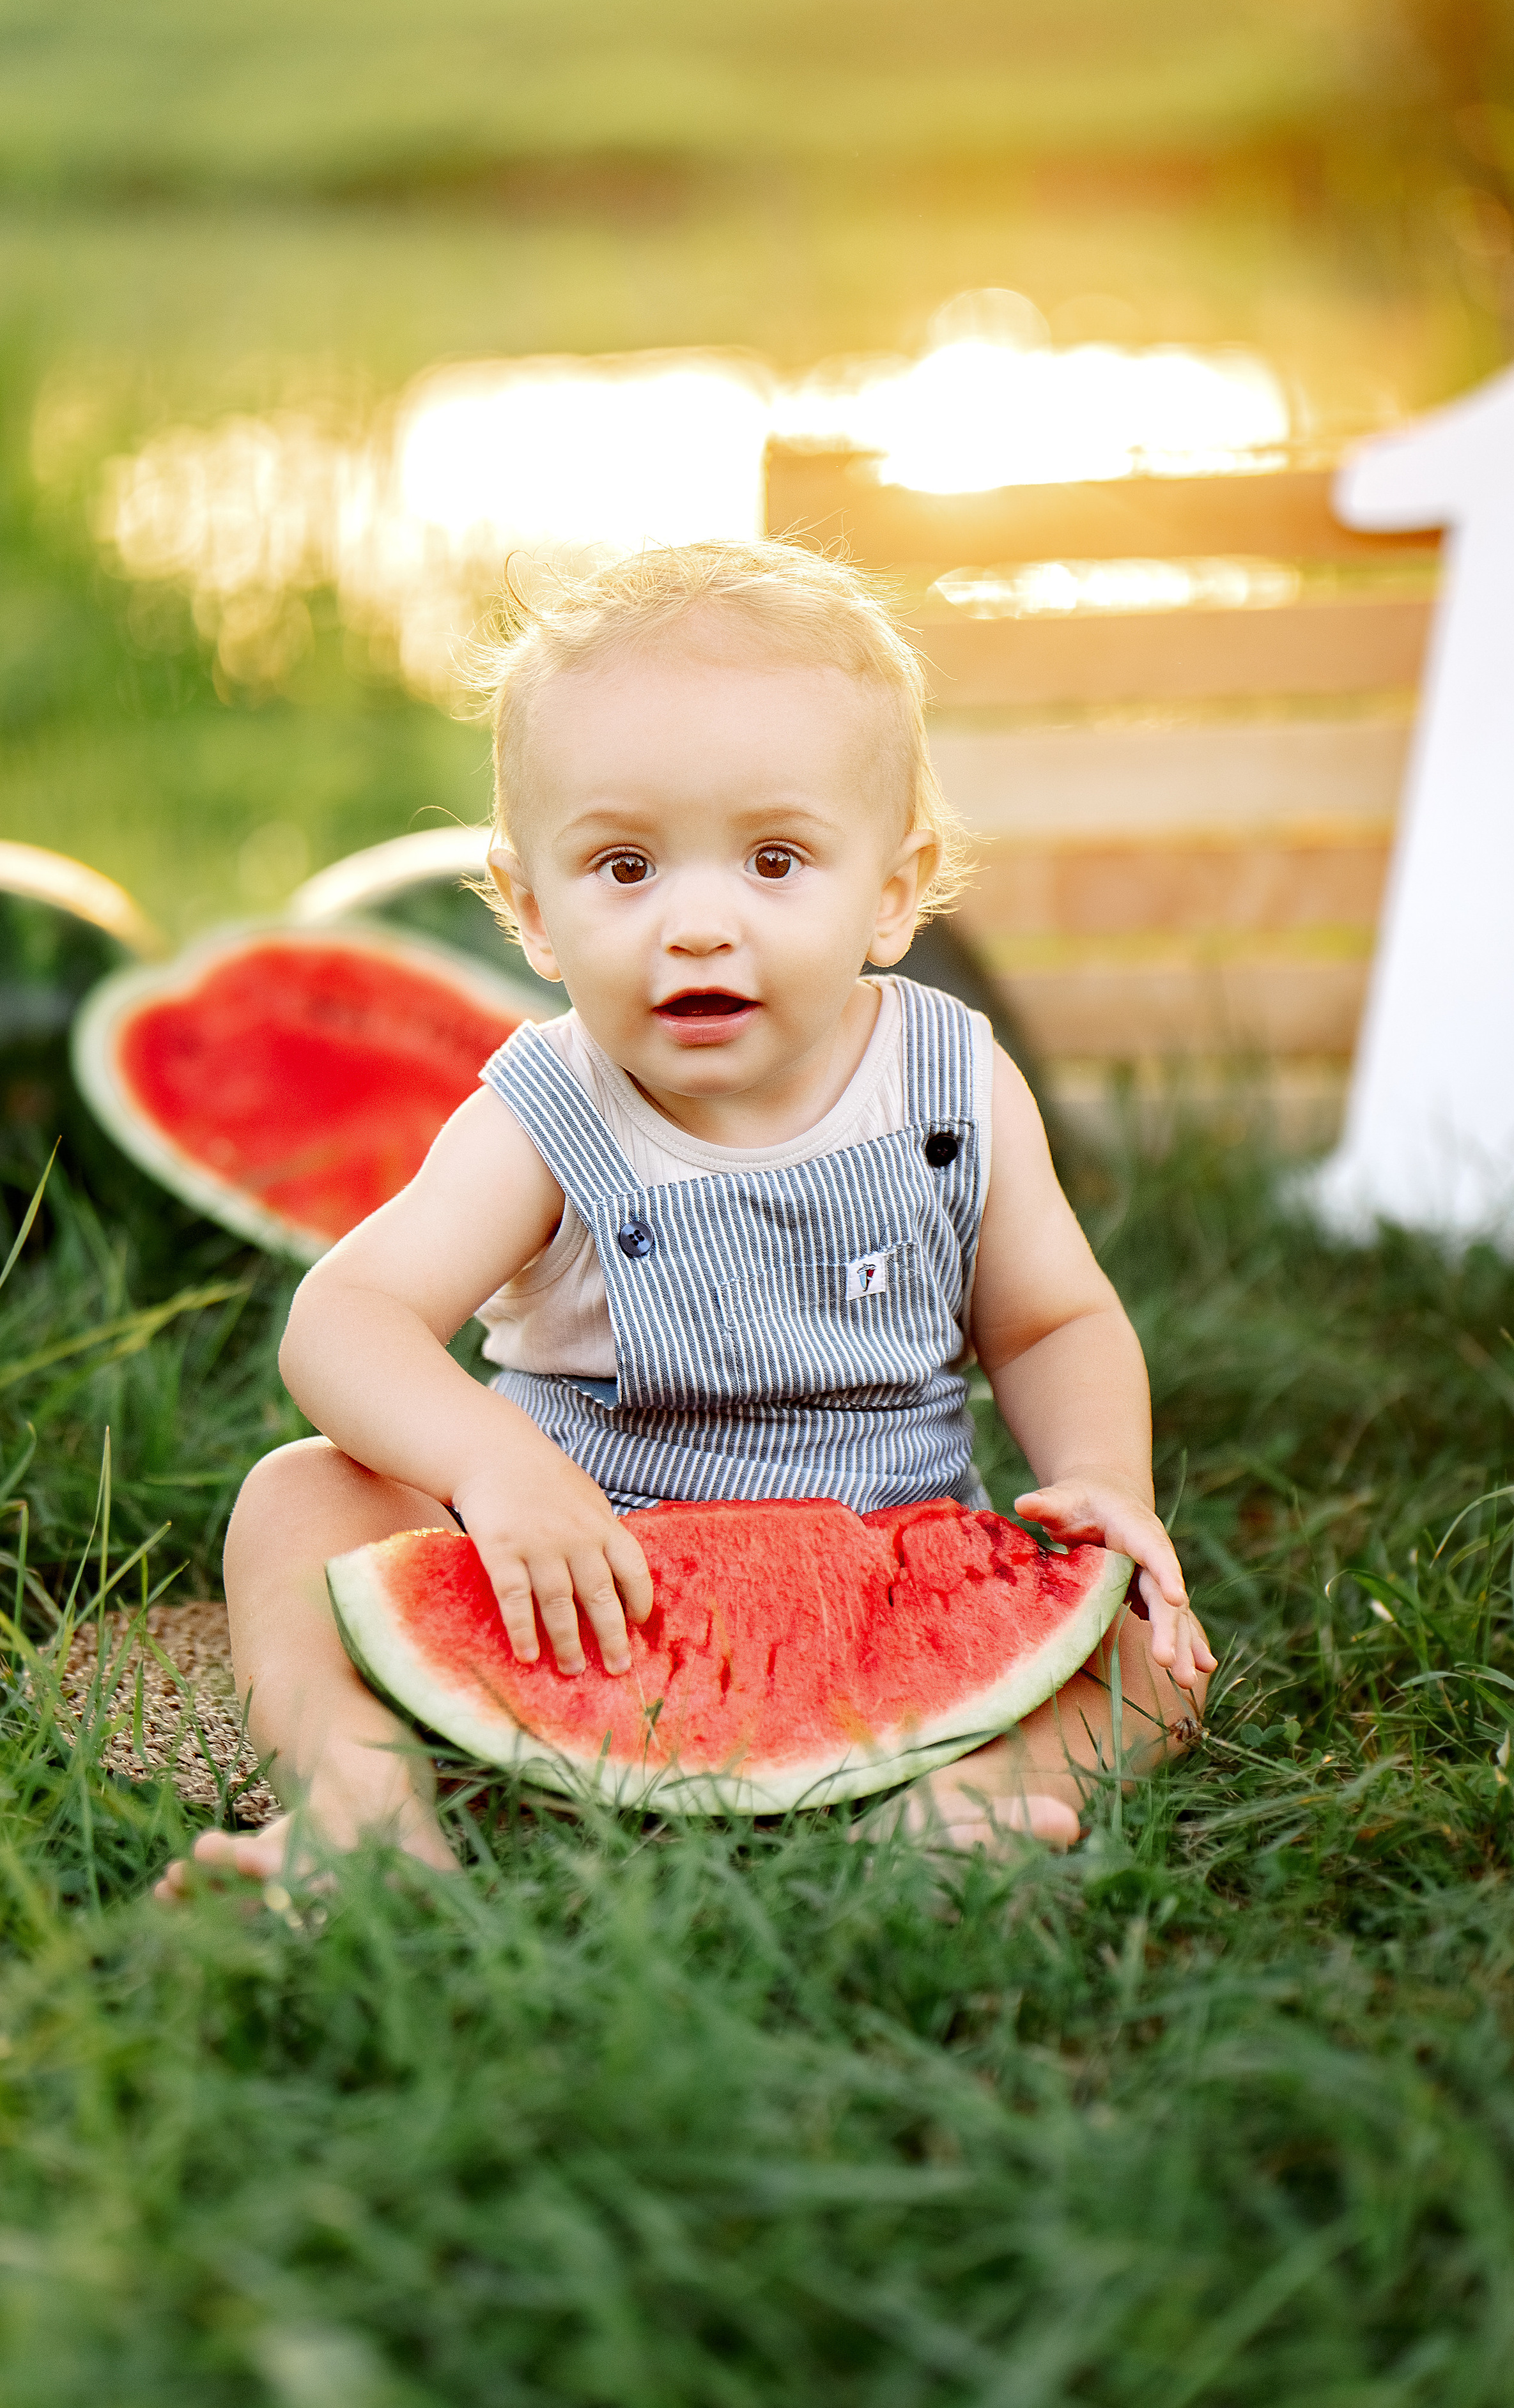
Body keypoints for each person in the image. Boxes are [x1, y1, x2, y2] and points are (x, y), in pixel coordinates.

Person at [155, 540, 1214, 1899]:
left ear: (892, 892)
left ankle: (964, 1802)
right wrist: (496, 1469)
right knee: (295, 1495)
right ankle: (362, 1808)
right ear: (533, 913)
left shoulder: (954, 1080)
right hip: (571, 1586)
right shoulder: (547, 1112)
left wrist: (1105, 1481)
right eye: (624, 865)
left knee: (1154, 1655)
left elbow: (1051, 1320)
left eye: (774, 859)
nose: (699, 923)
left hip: (890, 1586)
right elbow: (344, 1318)